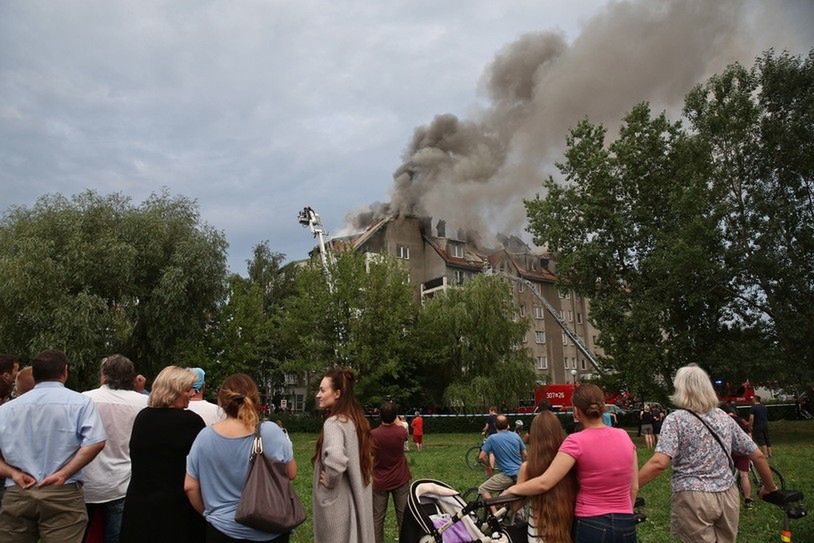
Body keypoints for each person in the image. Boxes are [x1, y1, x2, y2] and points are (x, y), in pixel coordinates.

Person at [638, 365, 776, 543]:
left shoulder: (676, 419)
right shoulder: (724, 417)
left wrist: (630, 488)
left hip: (693, 497)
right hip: (728, 494)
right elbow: (757, 455)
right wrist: (770, 487)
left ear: (681, 389)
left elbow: (659, 463)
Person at [504, 384, 639, 543]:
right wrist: (624, 512)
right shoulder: (624, 436)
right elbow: (634, 486)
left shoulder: (576, 441)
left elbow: (545, 482)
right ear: (603, 408)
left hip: (591, 522)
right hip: (626, 522)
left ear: (576, 411)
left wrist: (513, 488)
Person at [0, 350, 107, 543]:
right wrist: (65, 473)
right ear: (64, 371)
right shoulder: (80, 403)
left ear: (35, 374)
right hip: (62, 490)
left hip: (19, 490)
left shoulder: (6, 410)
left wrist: (13, 473)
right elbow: (96, 442)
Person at [185, 373, 296, 542]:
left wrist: (209, 514)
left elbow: (190, 487)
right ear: (255, 398)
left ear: (221, 400)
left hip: (222, 528)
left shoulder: (204, 437)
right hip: (270, 527)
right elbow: (291, 473)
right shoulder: (270, 431)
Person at [119, 366, 205, 543]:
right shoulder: (190, 422)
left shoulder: (143, 417)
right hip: (176, 509)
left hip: (140, 505)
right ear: (175, 390)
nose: (192, 394)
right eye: (188, 389)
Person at [82, 355, 149, 543]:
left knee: (79, 536)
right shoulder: (144, 402)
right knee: (117, 537)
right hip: (123, 481)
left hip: (88, 480)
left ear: (103, 375)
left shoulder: (85, 399)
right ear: (132, 377)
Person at [312, 368, 374, 543]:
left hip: (338, 511)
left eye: (323, 390)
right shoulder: (357, 421)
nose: (318, 395)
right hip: (354, 504)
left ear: (337, 393)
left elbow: (336, 459)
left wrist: (330, 481)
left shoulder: (334, 423)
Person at [511, 411, 577, 543]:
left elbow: (515, 506)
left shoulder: (527, 468)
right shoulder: (570, 463)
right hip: (567, 526)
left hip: (537, 531)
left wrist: (512, 489)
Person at [371, 401, 411, 543]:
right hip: (400, 478)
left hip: (379, 480)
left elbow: (370, 453)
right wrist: (396, 418)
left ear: (380, 416)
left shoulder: (373, 435)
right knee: (403, 517)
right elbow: (402, 430)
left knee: (377, 518)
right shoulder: (401, 431)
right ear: (395, 415)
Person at [478, 414, 526, 508]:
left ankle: (495, 516)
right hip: (521, 475)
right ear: (508, 425)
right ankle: (512, 514)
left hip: (507, 475)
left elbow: (481, 457)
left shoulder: (492, 439)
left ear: (495, 425)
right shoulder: (516, 436)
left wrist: (489, 466)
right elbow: (525, 455)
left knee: (483, 489)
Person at [722, 403, 754, 509]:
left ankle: (725, 499)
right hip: (742, 451)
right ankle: (748, 499)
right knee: (744, 475)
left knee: (725, 474)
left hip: (727, 451)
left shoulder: (722, 421)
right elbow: (749, 435)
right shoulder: (741, 420)